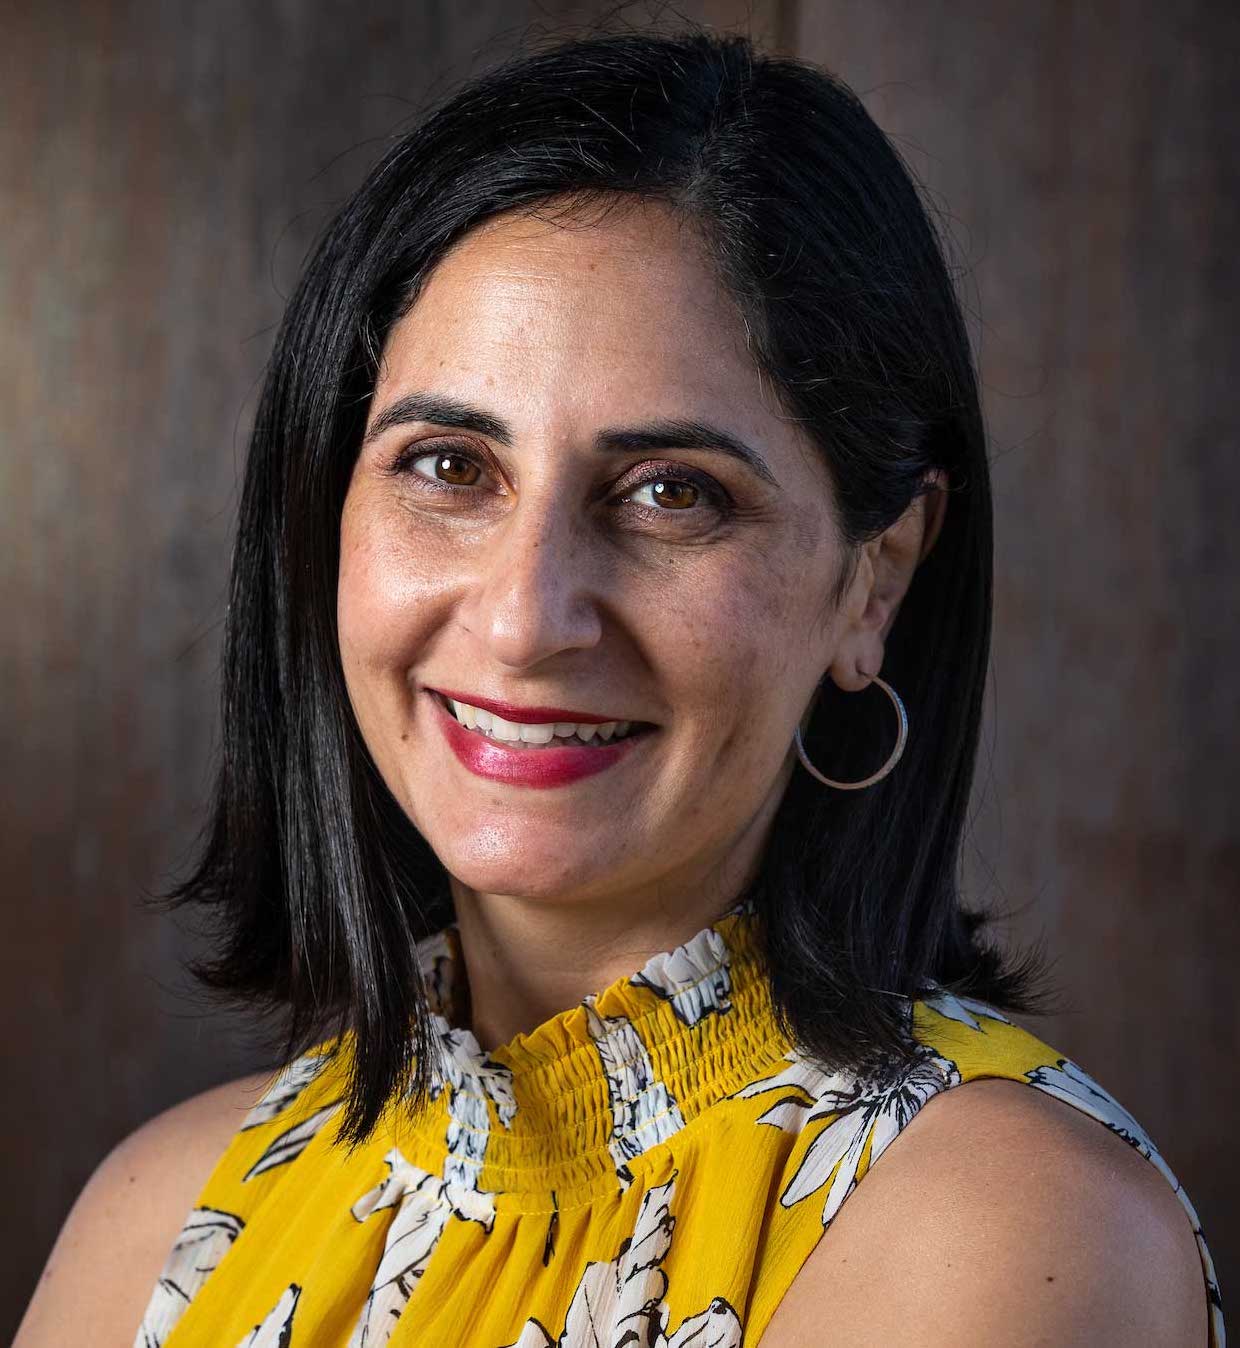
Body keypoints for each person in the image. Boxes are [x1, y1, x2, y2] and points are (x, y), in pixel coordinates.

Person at [17, 25, 1223, 1348]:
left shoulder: (1002, 1227)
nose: (529, 619)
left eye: (671, 494)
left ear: (874, 579)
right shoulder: (164, 1218)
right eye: (449, 467)